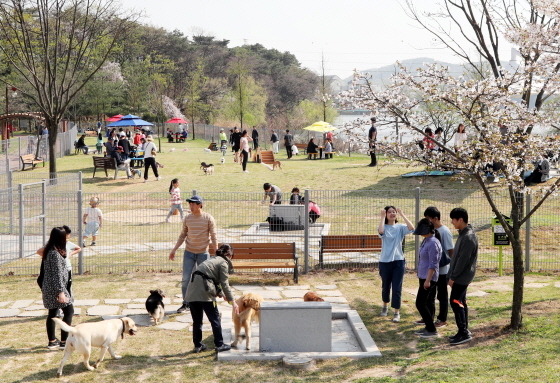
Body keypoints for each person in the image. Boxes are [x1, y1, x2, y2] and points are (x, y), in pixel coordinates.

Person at [186, 244, 239, 353]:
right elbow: (224, 283)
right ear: (228, 254)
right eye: (231, 256)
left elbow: (211, 279)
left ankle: (198, 346)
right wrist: (233, 301)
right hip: (205, 293)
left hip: (192, 291)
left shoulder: (213, 259)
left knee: (197, 321)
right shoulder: (223, 262)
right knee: (215, 319)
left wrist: (221, 295)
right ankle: (219, 345)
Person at [169, 195, 218, 314]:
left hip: (203, 253)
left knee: (204, 280)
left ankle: (205, 303)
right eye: (190, 204)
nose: (191, 206)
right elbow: (182, 235)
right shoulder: (187, 218)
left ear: (200, 205)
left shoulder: (208, 218)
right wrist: (174, 249)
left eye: (193, 204)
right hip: (189, 253)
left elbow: (213, 236)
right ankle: (186, 303)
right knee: (186, 279)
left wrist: (217, 252)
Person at [418, 206, 454, 329]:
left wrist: (451, 267)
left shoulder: (445, 231)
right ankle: (429, 317)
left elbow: (451, 251)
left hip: (442, 270)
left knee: (442, 295)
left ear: (436, 218)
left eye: (429, 218)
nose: (427, 221)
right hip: (431, 271)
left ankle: (442, 319)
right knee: (430, 296)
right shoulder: (430, 233)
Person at [378, 206, 414, 323]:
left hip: (398, 261)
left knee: (397, 288)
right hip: (385, 262)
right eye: (390, 212)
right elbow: (381, 231)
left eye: (394, 212)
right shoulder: (383, 226)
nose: (392, 214)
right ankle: (385, 306)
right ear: (386, 214)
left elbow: (412, 228)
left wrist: (402, 214)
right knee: (386, 286)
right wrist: (382, 217)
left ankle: (396, 312)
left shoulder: (400, 227)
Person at [448, 207, 478, 345]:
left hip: (462, 276)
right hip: (460, 275)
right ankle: (464, 330)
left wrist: (453, 277)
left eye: (453, 220)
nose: (452, 223)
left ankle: (464, 333)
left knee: (455, 301)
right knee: (460, 301)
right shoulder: (463, 233)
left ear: (460, 219)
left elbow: (462, 260)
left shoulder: (468, 237)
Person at [41, 227, 74, 350]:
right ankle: (64, 342)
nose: (67, 239)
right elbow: (57, 274)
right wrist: (61, 292)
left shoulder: (50, 250)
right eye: (65, 237)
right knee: (69, 311)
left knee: (53, 313)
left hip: (50, 287)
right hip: (56, 288)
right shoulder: (54, 254)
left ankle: (52, 341)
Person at [412, 218, 442, 339]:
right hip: (424, 277)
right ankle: (428, 327)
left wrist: (428, 280)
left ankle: (431, 329)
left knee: (420, 303)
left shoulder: (433, 243)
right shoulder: (426, 240)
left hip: (428, 279)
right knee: (427, 303)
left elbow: (433, 264)